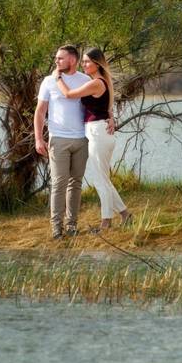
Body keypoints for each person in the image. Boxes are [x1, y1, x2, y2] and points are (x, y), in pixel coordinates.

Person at [55, 47, 132, 232]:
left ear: (97, 64)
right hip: (97, 132)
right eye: (82, 61)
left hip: (98, 133)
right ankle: (125, 214)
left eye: (87, 61)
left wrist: (58, 77)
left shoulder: (97, 82)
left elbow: (68, 94)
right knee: (103, 179)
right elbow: (106, 106)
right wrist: (111, 116)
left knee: (100, 181)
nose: (84, 65)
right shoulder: (99, 81)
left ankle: (106, 223)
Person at [34, 45, 91, 239]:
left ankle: (72, 226)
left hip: (82, 140)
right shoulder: (49, 81)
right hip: (58, 139)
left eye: (60, 58)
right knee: (59, 183)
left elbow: (96, 105)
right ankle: (56, 229)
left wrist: (108, 117)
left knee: (75, 183)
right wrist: (38, 138)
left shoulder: (85, 80)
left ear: (72, 60)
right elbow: (40, 111)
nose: (56, 61)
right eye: (56, 58)